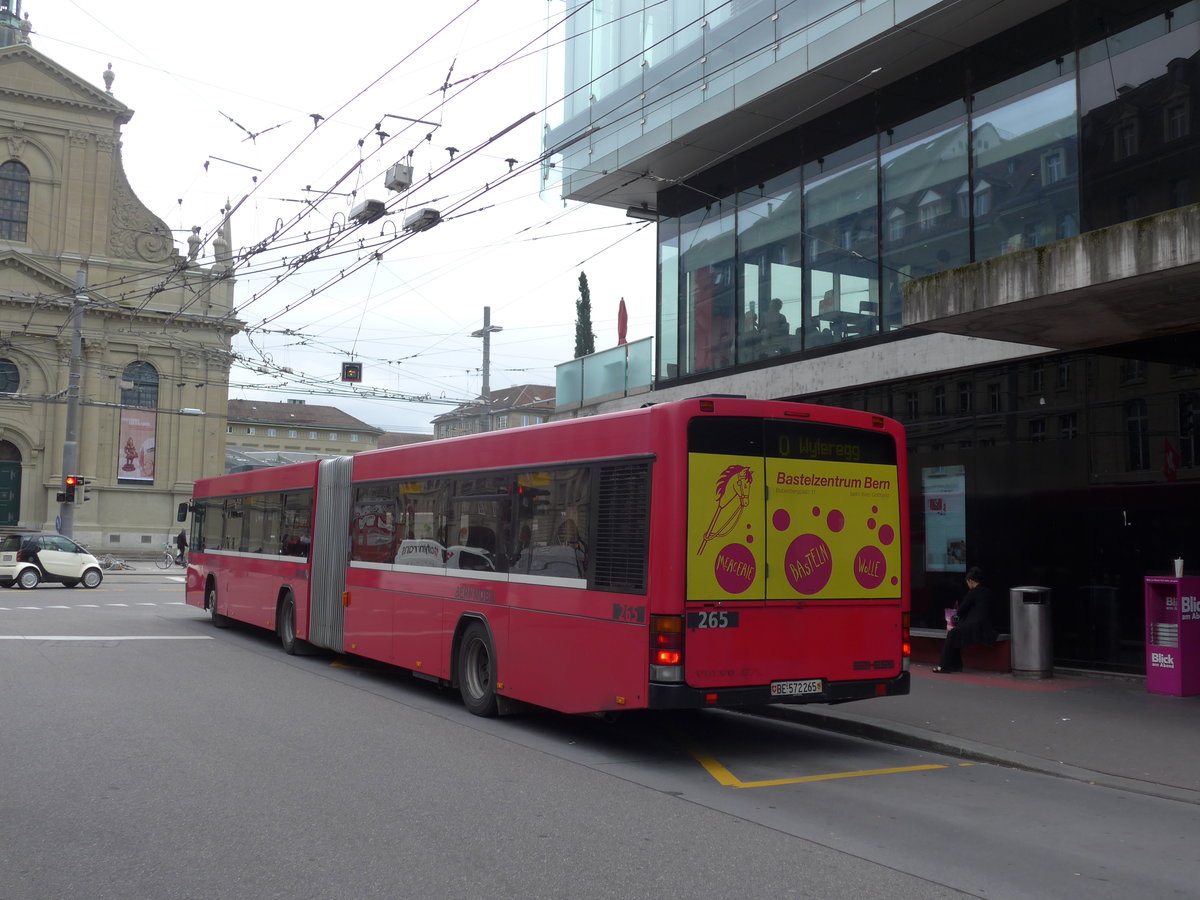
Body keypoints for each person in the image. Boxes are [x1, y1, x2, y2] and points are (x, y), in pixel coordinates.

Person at [933, 566, 998, 673]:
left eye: (967, 582)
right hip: (988, 627)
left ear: (970, 581)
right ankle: (956, 665)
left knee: (952, 634)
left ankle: (943, 666)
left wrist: (954, 617)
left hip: (976, 627)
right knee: (956, 635)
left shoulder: (973, 592)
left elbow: (961, 609)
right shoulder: (988, 592)